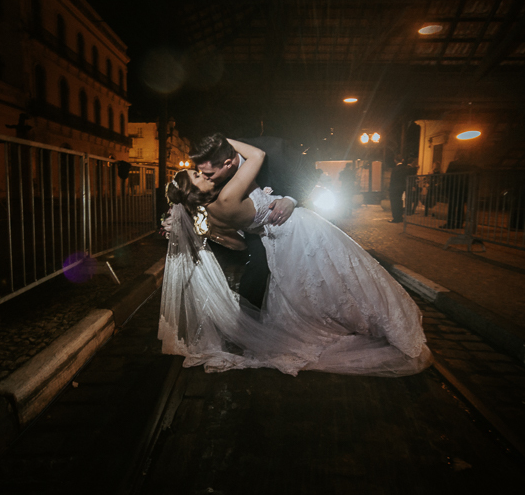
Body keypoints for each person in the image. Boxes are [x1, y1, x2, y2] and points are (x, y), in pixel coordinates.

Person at [160, 137, 431, 378]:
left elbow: (238, 244)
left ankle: (349, 321)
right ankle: (378, 323)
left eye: (202, 171)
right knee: (342, 277)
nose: (203, 175)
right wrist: (225, 138)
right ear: (193, 192)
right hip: (300, 230)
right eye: (197, 176)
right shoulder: (228, 194)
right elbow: (257, 155)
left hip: (279, 241)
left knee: (316, 286)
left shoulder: (212, 213)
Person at [189, 133, 317, 310]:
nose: (204, 177)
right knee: (258, 270)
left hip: (295, 225)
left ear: (228, 163)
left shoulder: (276, 150)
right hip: (254, 231)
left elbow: (310, 174)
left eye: (208, 173)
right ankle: (250, 321)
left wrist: (291, 199)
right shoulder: (213, 171)